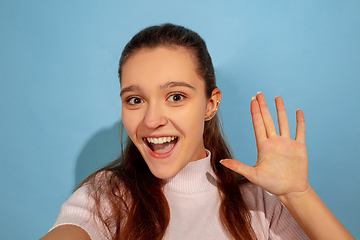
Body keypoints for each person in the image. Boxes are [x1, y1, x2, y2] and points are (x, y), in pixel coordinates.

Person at [41, 23, 354, 240]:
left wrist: (298, 195)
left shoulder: (259, 203)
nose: (151, 120)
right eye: (135, 100)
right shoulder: (107, 196)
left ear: (210, 104)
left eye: (176, 97)